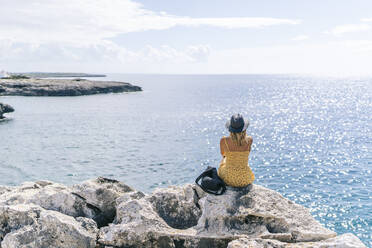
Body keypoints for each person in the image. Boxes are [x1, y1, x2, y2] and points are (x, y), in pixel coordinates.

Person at [218, 114, 254, 187]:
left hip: (228, 178)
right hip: (245, 178)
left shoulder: (224, 140)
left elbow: (223, 154)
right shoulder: (250, 140)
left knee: (222, 162)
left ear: (230, 128)